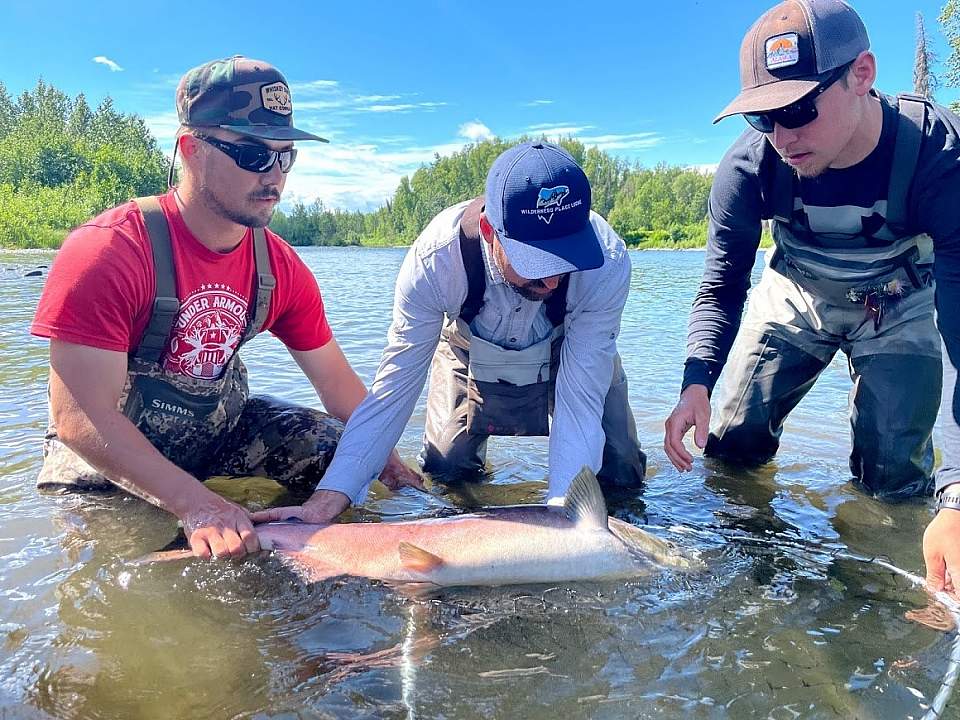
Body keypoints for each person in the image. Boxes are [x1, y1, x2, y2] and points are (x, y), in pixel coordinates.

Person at [30, 56, 418, 560]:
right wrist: (199, 505)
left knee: (347, 455)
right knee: (120, 567)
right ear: (191, 150)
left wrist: (397, 473)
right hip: (104, 458)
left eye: (287, 156)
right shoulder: (107, 251)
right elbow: (80, 419)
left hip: (220, 436)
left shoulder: (280, 268)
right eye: (254, 154)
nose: (275, 176)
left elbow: (339, 387)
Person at [660, 0, 960, 590]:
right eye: (762, 119)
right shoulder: (748, 171)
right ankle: (748, 574)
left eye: (798, 109)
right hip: (797, 292)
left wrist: (959, 496)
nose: (783, 135)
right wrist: (695, 380)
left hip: (902, 303)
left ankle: (889, 592)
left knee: (895, 477)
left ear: (862, 74)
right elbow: (723, 284)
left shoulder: (938, 156)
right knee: (732, 444)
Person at [253, 141, 646, 524]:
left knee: (621, 469)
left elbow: (580, 400)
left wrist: (566, 519)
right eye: (536, 261)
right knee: (447, 467)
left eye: (566, 256)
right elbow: (395, 389)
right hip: (469, 344)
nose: (553, 279)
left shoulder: (607, 262)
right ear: (491, 230)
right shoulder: (434, 261)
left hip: (572, 346)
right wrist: (331, 496)